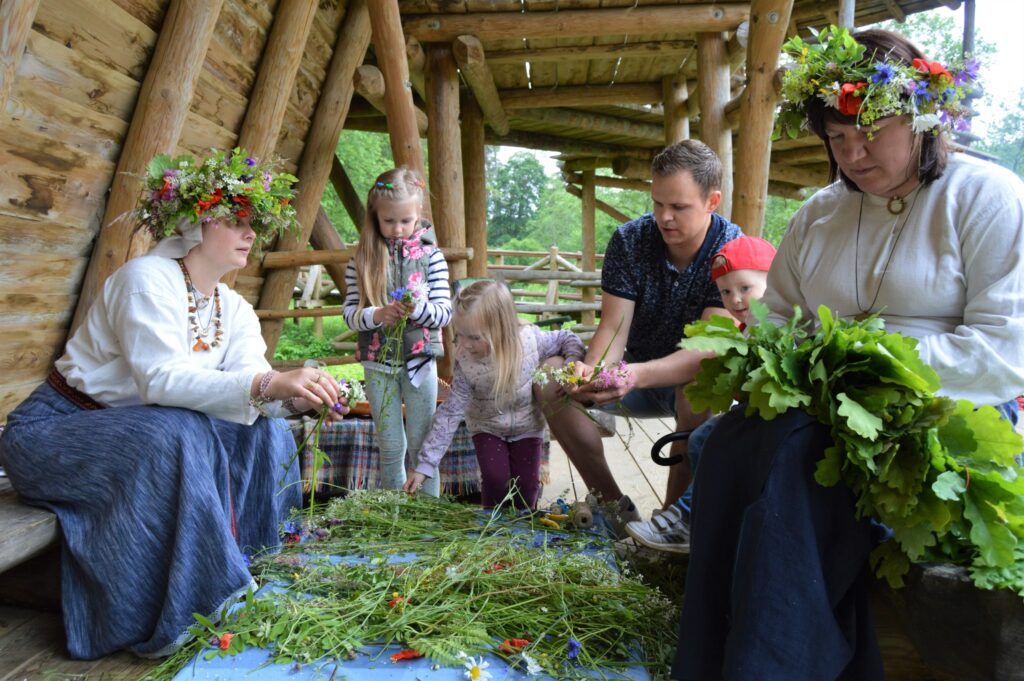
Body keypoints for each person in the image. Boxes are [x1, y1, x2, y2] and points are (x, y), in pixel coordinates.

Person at [674, 27, 1024, 680]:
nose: (854, 152)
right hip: (821, 407)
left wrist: (867, 368)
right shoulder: (818, 215)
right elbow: (777, 321)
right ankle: (708, 660)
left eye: (871, 129)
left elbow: (1003, 350)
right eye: (837, 138)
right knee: (725, 445)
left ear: (920, 116)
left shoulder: (986, 197)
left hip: (948, 417)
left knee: (801, 458)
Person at [0, 149, 350, 659]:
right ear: (197, 222)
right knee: (175, 431)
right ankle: (193, 603)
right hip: (55, 433)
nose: (250, 233)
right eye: (235, 221)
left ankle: (253, 566)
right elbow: (160, 381)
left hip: (138, 433)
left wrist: (295, 397)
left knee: (266, 432)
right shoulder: (144, 280)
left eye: (254, 223)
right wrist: (269, 385)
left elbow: (251, 382)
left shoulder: (234, 310)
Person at [536, 140, 742, 522]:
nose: (664, 217)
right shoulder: (629, 240)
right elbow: (614, 327)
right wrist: (593, 371)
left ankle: (670, 524)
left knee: (700, 384)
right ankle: (617, 510)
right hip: (628, 377)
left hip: (682, 382)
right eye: (658, 203)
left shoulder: (731, 249)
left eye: (679, 207)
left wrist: (635, 374)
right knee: (550, 376)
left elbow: (708, 349)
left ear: (712, 202)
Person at [625, 236, 776, 553]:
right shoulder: (743, 331)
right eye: (725, 292)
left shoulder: (780, 327)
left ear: (774, 282)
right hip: (755, 416)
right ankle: (706, 525)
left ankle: (691, 518)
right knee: (699, 439)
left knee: (713, 439)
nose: (735, 300)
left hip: (774, 422)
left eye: (745, 288)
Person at [403, 281, 585, 509]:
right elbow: (450, 413)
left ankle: (523, 532)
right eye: (461, 335)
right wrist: (425, 466)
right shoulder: (467, 362)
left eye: (475, 337)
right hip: (487, 427)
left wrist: (571, 366)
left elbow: (568, 339)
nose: (466, 345)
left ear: (501, 328)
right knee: (496, 480)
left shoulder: (530, 341)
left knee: (527, 488)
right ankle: (490, 528)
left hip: (527, 427)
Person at [343, 168, 452, 497]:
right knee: (389, 443)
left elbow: (444, 312)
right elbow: (350, 315)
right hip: (378, 364)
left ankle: (429, 512)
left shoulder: (432, 258)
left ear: (419, 214)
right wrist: (377, 315)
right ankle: (392, 510)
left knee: (423, 443)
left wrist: (416, 310)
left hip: (420, 360)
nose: (398, 229)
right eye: (389, 221)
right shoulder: (361, 260)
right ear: (375, 216)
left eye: (406, 220)